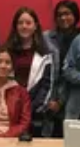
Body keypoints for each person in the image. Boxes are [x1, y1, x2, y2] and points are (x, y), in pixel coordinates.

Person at [6, 7, 56, 136]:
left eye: (28, 23)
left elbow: (46, 85)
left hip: (35, 111)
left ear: (35, 26)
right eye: (20, 23)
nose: (24, 26)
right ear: (15, 26)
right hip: (8, 109)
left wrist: (30, 108)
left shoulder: (46, 53)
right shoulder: (6, 51)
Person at [43, 0, 80, 136]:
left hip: (74, 95)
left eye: (67, 14)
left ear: (75, 15)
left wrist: (61, 101)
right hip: (50, 96)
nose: (63, 18)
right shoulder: (46, 38)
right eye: (59, 15)